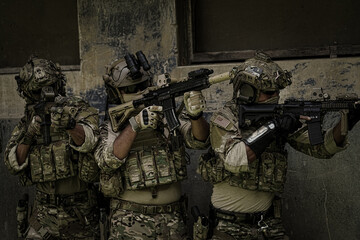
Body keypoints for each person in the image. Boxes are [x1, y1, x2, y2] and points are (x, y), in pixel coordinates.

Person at [197, 52, 358, 240]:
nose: (276, 96)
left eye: (277, 91)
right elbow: (235, 159)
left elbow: (323, 148)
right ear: (248, 90)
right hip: (228, 226)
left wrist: (348, 120)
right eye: (269, 92)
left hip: (268, 225)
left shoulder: (278, 115)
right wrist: (274, 126)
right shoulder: (225, 118)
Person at [94, 52, 210, 240]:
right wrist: (135, 125)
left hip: (172, 218)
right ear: (116, 93)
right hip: (129, 221)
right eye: (131, 88)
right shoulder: (112, 126)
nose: (140, 91)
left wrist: (196, 116)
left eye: (143, 86)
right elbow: (108, 160)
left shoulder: (167, 114)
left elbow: (199, 141)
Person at [4, 57, 100, 239]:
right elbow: (13, 163)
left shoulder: (77, 108)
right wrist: (30, 133)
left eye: (48, 88)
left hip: (80, 211)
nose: (44, 95)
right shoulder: (27, 121)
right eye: (37, 91)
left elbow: (91, 140)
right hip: (44, 214)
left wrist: (70, 125)